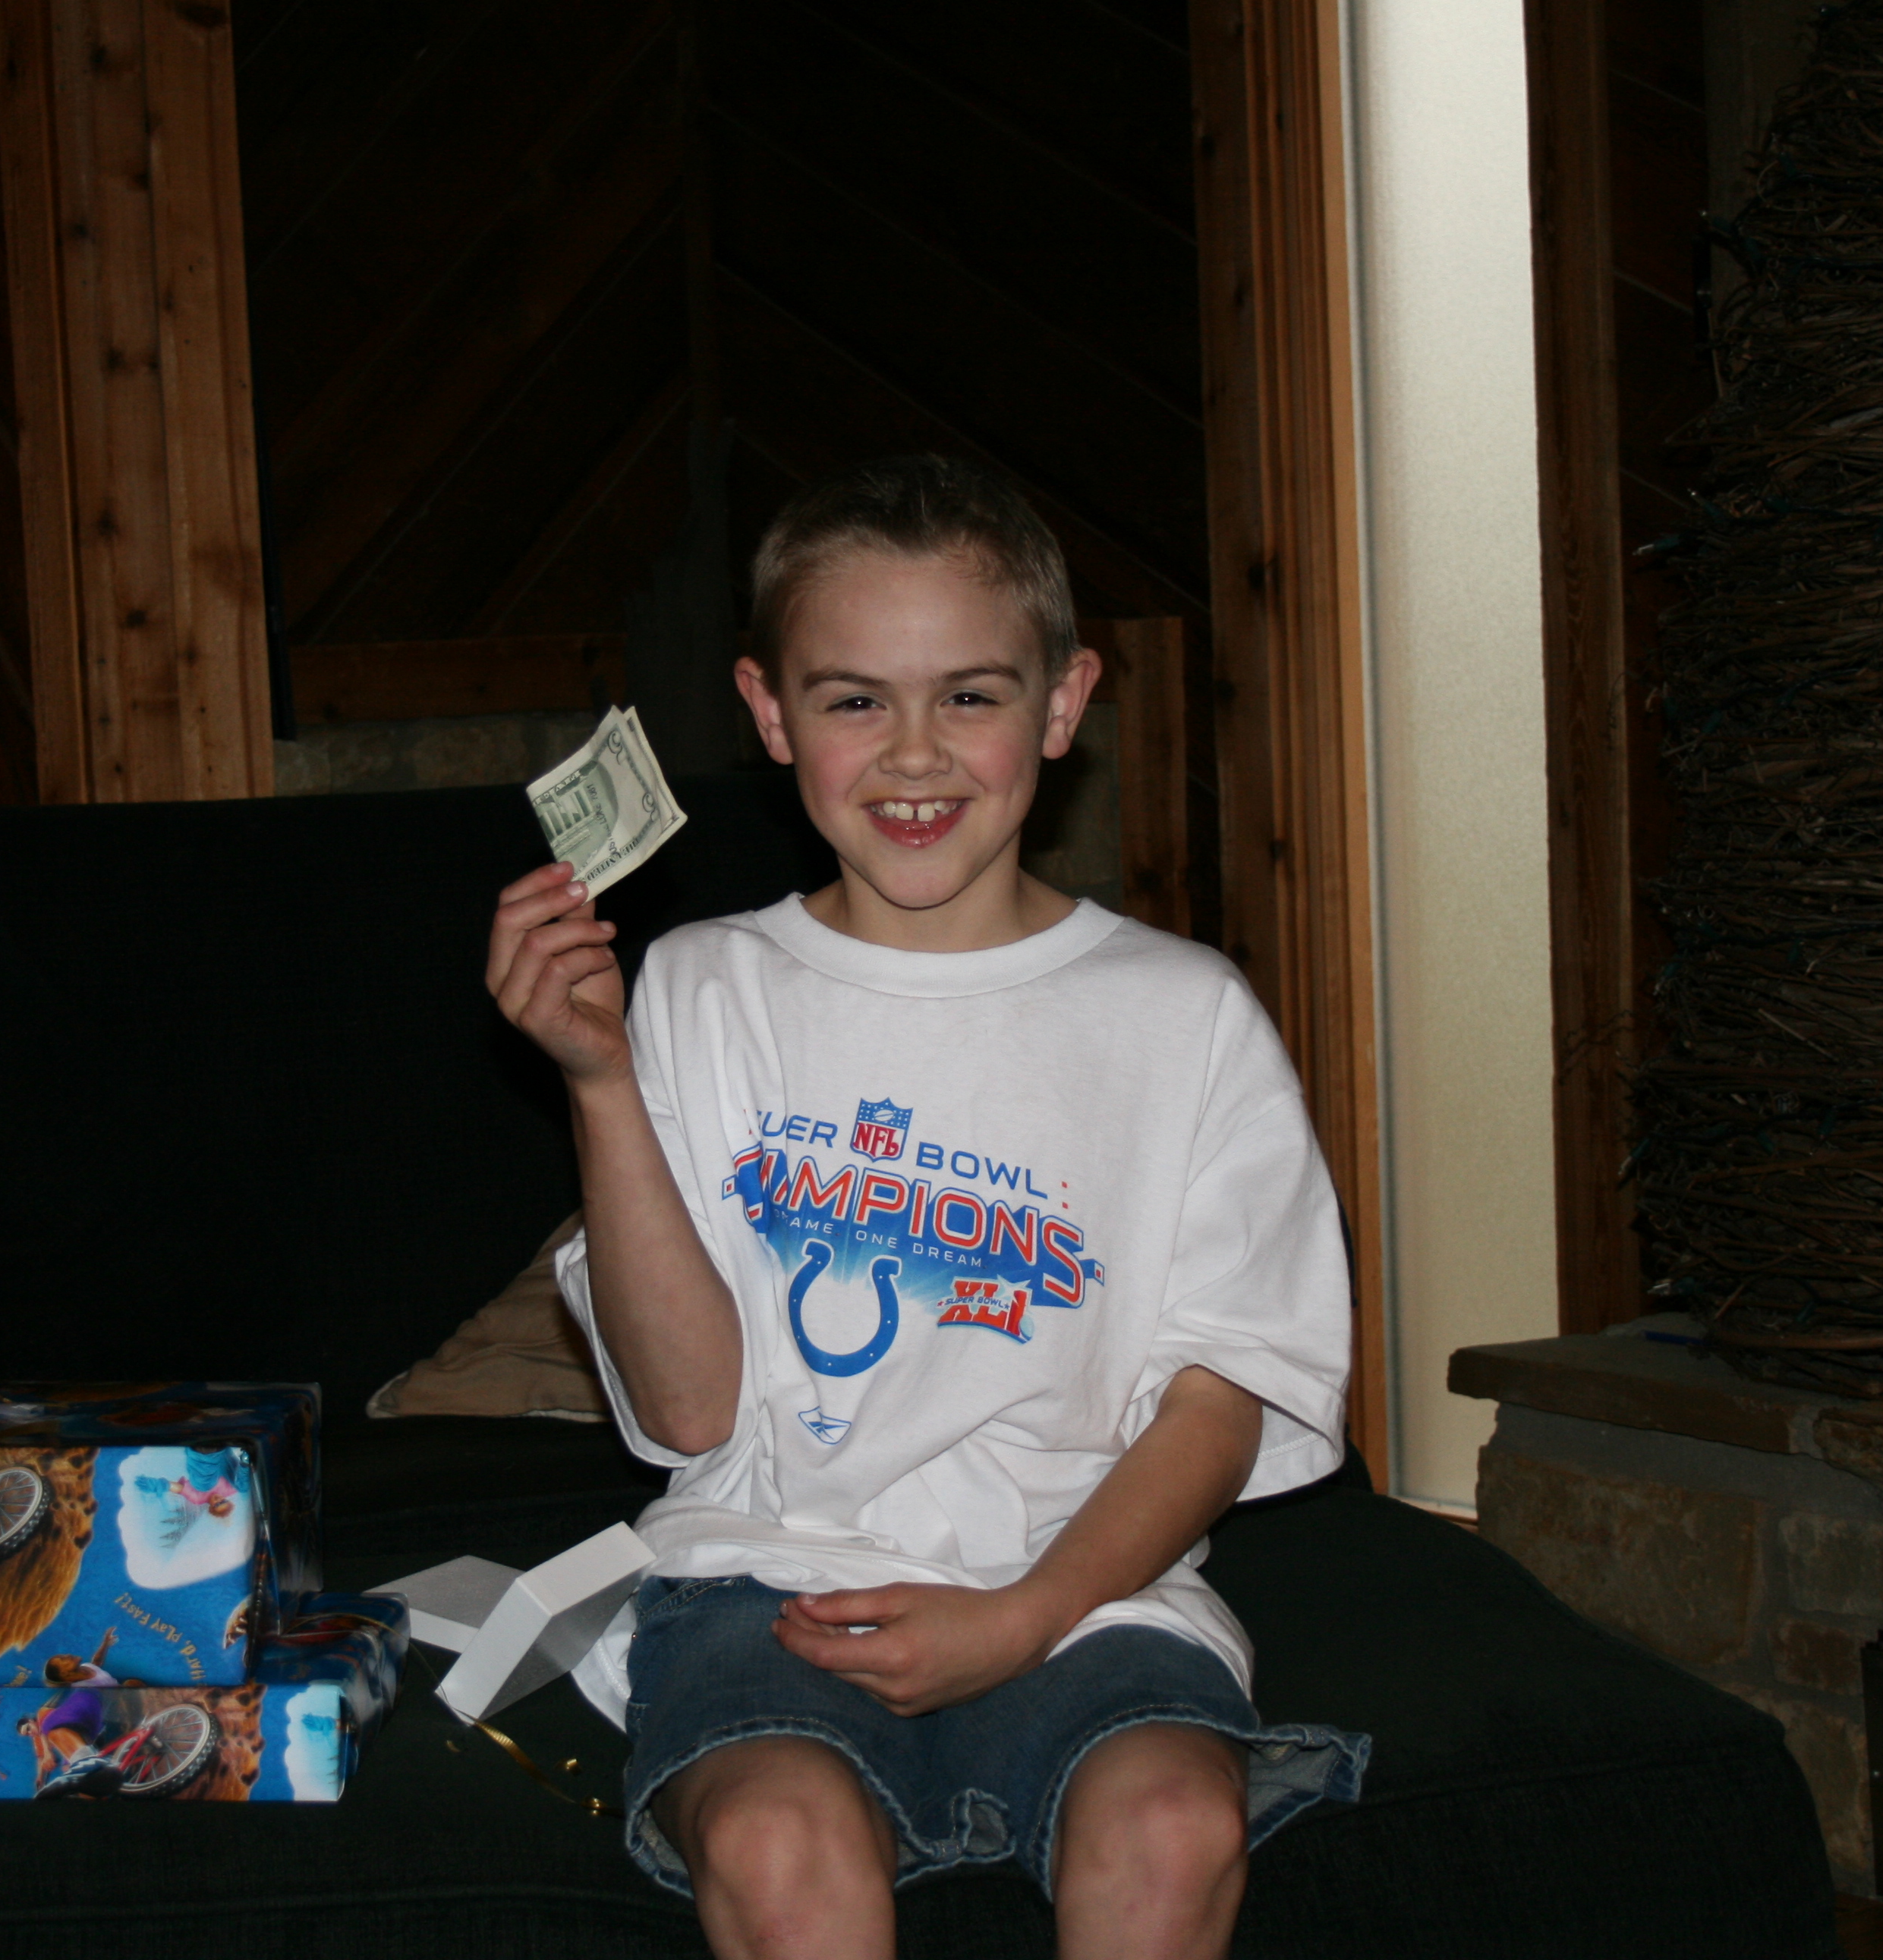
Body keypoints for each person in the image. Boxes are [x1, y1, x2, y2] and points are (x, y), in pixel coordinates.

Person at [486, 454, 1368, 1960]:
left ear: (1064, 703)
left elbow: (1223, 1394)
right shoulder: (699, 987)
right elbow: (689, 1412)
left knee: (1173, 1825)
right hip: (765, 1578)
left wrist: (1028, 1613)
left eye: (969, 695)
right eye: (853, 700)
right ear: (771, 714)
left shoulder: (1186, 1016)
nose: (914, 755)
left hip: (1089, 1593)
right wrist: (601, 1083)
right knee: (778, 1841)